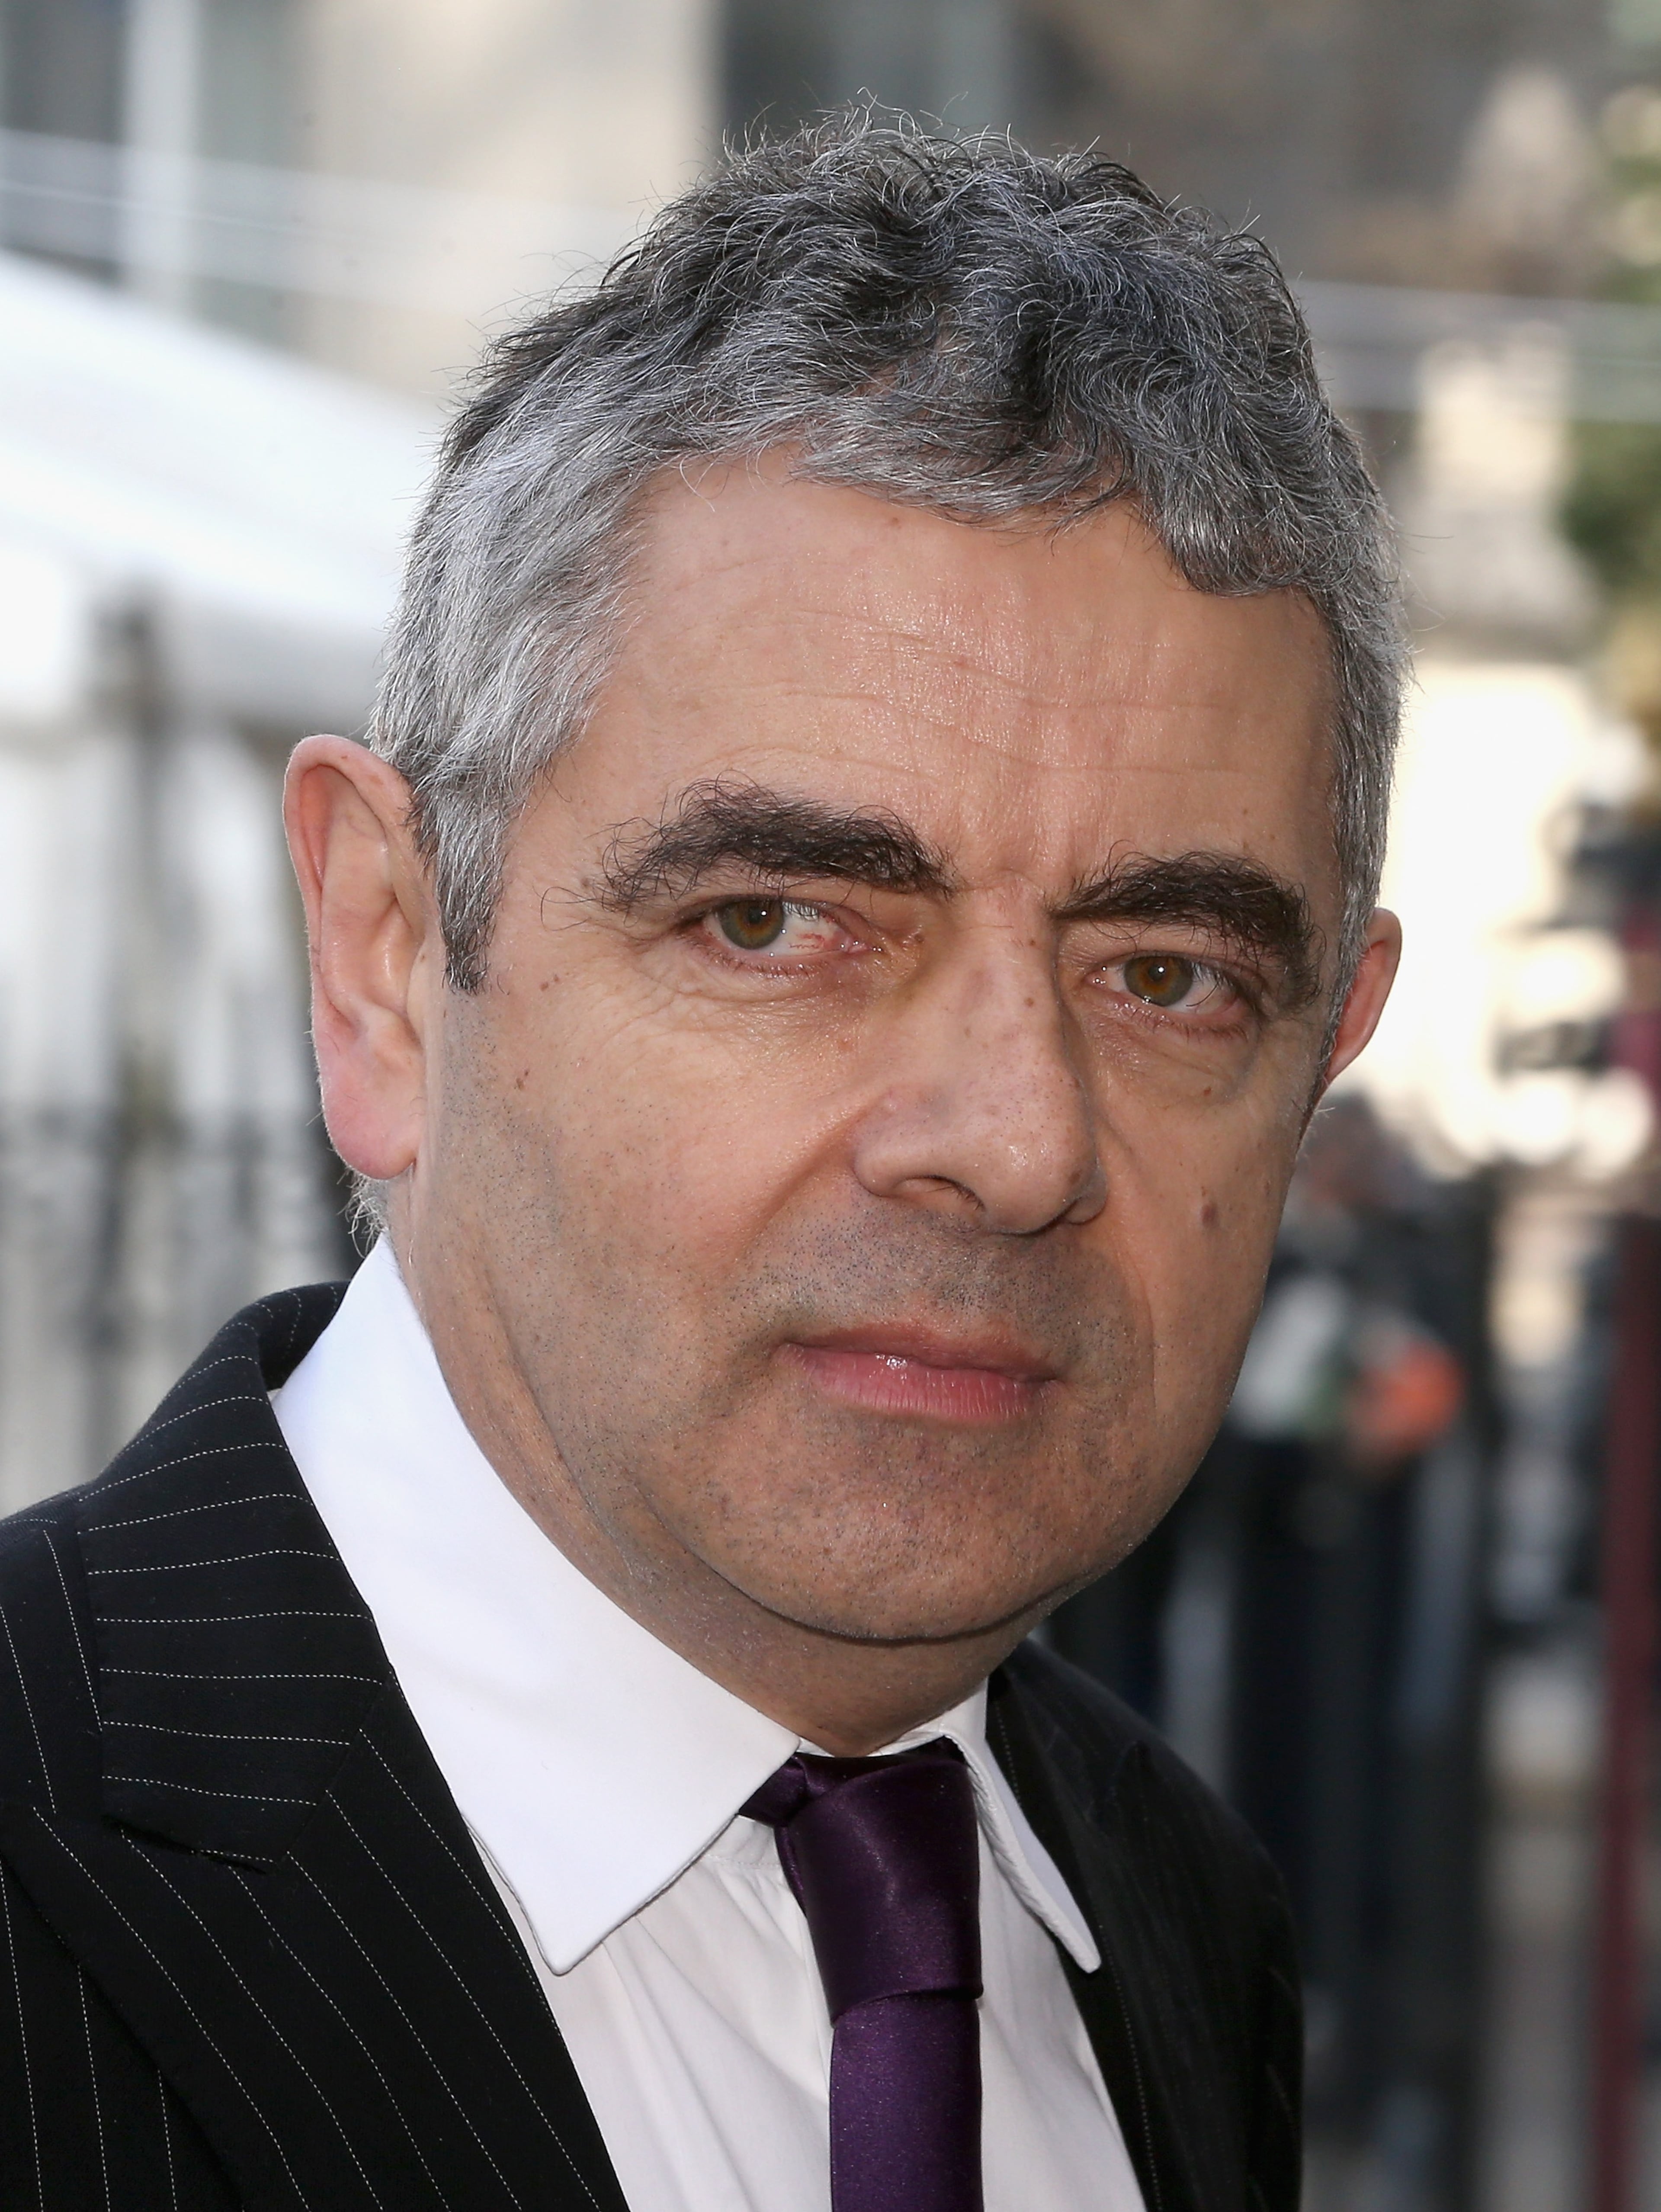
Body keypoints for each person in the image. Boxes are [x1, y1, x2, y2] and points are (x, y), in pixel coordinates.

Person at [0, 118, 1402, 2211]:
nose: (1014, 1143)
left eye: (1173, 973)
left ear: (1330, 1049)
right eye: (777, 923)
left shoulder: (1181, 1922)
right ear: (386, 957)